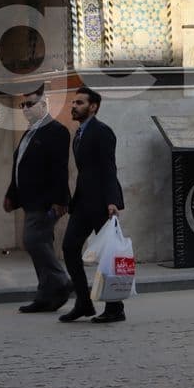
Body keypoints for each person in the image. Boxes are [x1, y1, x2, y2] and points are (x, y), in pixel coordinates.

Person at [60, 86, 126, 324]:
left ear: (93, 107)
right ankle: (83, 302)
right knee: (69, 248)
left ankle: (115, 307)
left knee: (107, 255)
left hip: (101, 204)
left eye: (79, 103)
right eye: (74, 103)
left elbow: (109, 168)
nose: (74, 106)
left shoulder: (102, 132)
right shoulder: (78, 134)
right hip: (83, 204)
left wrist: (112, 201)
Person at [3, 87, 73, 313]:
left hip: (46, 201)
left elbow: (60, 170)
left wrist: (60, 200)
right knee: (39, 242)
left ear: (44, 105)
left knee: (33, 241)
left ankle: (61, 281)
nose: (25, 109)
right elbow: (20, 166)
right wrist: (11, 194)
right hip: (29, 200)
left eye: (30, 104)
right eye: (23, 105)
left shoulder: (56, 131)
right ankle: (46, 295)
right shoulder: (30, 132)